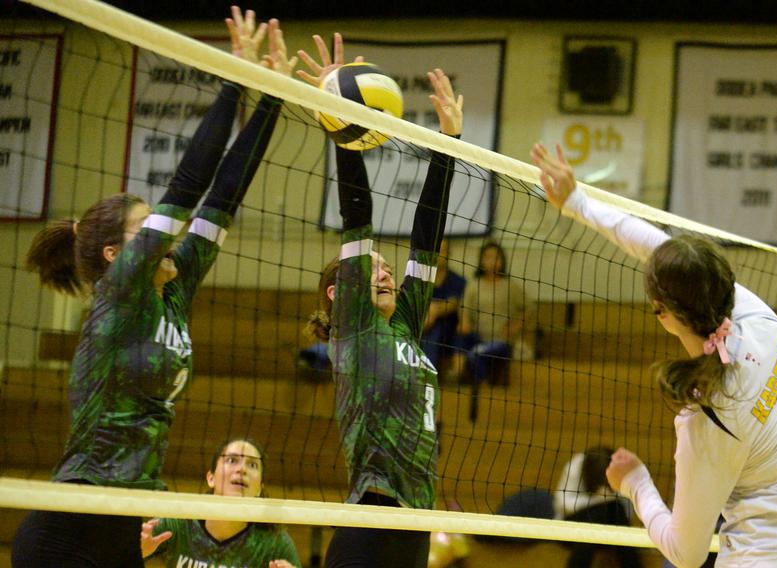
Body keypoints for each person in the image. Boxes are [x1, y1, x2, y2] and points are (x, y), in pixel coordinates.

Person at [11, 9, 294, 566]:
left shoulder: (174, 285)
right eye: (150, 226)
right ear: (118, 255)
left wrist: (272, 95)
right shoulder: (120, 292)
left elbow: (222, 199)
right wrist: (235, 79)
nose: (172, 231)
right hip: (72, 520)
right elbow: (190, 184)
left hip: (128, 515)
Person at [531, 143, 777, 568]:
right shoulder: (761, 320)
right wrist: (578, 202)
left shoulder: (709, 413)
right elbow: (661, 250)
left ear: (663, 314)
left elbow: (685, 553)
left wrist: (635, 483)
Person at [299, 32, 462, 568]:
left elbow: (425, 236)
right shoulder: (356, 325)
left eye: (388, 268)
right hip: (372, 518)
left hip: (417, 520)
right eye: (375, 268)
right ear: (340, 291)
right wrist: (340, 121)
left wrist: (447, 143)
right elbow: (358, 217)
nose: (386, 271)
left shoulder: (405, 325)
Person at [141, 438, 300, 567]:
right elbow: (123, 558)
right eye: (232, 460)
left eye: (252, 464)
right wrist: (137, 553)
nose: (241, 469)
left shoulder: (275, 542)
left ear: (259, 489)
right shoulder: (178, 522)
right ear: (211, 478)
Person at [455, 242, 529, 386]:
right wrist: (464, 321)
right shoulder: (474, 285)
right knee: (459, 336)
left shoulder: (510, 286)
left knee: (475, 354)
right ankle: (456, 372)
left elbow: (529, 308)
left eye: (496, 258)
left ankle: (483, 386)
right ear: (481, 261)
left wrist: (515, 325)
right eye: (488, 257)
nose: (492, 262)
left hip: (500, 342)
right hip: (477, 337)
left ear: (502, 261)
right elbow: (464, 308)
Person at [553, 447, 641, 568]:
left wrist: (608, 499)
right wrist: (597, 500)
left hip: (608, 530)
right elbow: (562, 504)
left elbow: (628, 511)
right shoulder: (576, 466)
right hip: (570, 528)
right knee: (596, 514)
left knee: (616, 508)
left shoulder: (618, 468)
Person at [420, 239, 466, 375]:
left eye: (442, 250)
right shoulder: (421, 278)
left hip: (449, 330)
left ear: (448, 253)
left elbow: (453, 303)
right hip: (423, 323)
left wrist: (434, 311)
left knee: (436, 329)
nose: (438, 254)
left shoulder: (457, 280)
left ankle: (427, 376)